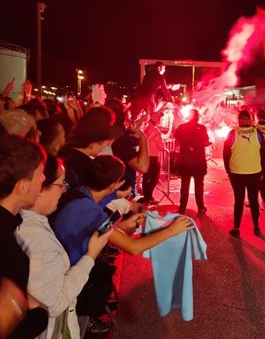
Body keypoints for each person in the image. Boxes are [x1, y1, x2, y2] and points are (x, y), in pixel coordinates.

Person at [51, 155, 193, 328]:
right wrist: (172, 230)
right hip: (69, 275)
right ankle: (88, 321)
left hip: (67, 264)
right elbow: (133, 247)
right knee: (101, 278)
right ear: (114, 184)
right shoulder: (88, 209)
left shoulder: (82, 194)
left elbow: (103, 229)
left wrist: (124, 224)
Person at [16, 156, 111, 339]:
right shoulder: (35, 239)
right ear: (39, 187)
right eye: (61, 184)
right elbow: (54, 305)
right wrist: (90, 256)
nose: (64, 190)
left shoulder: (31, 223)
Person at [0, 134, 48, 338]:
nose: (44, 180)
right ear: (22, 186)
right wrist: (38, 316)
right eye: (40, 175)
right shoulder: (9, 253)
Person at [223, 110, 265, 237]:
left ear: (239, 120)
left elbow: (226, 154)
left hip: (236, 173)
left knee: (239, 200)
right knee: (254, 200)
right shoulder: (257, 133)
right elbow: (263, 153)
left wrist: (228, 171)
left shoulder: (232, 133)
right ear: (249, 120)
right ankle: (256, 227)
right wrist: (262, 170)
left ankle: (236, 228)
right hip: (255, 172)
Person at [174, 109, 211, 216]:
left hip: (185, 161)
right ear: (197, 117)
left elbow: (176, 141)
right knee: (199, 186)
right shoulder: (202, 128)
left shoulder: (182, 127)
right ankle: (200, 208)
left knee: (184, 185)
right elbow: (205, 142)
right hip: (199, 162)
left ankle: (182, 208)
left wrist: (184, 148)